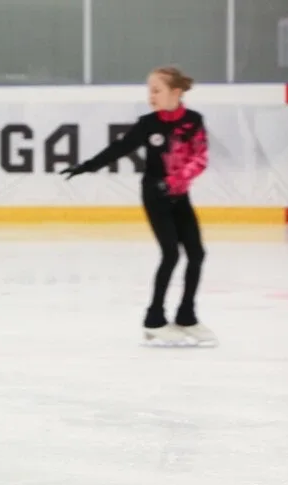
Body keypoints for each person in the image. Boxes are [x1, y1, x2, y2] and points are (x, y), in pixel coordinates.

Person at [62, 66, 215, 347]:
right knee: (171, 254)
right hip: (155, 195)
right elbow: (119, 148)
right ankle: (154, 319)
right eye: (149, 91)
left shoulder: (194, 121)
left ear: (176, 92)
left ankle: (186, 316)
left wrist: (174, 181)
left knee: (196, 254)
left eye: (156, 91)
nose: (151, 96)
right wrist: (87, 166)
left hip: (179, 195)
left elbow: (200, 158)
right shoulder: (148, 124)